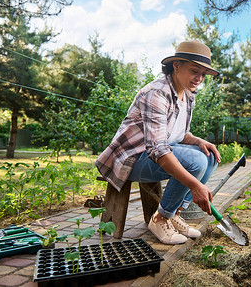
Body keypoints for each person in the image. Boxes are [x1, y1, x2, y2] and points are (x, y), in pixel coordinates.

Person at [95, 40, 222, 245]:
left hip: (155, 154)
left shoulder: (188, 95)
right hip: (132, 160)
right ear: (177, 65)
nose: (199, 78)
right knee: (196, 162)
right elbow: (157, 149)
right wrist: (195, 185)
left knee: (209, 156)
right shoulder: (156, 93)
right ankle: (160, 218)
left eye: (203, 74)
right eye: (194, 71)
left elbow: (179, 135)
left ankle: (174, 214)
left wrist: (198, 140)